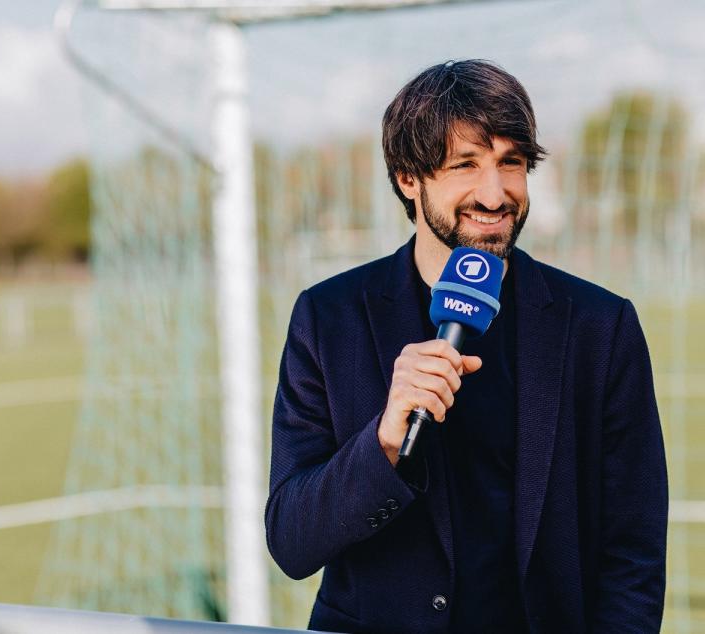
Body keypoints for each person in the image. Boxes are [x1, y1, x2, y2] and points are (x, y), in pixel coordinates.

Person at [265, 59, 667, 633]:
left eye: (512, 164)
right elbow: (291, 541)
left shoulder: (602, 326)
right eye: (466, 165)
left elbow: (634, 552)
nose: (495, 191)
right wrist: (381, 442)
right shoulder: (329, 318)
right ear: (409, 178)